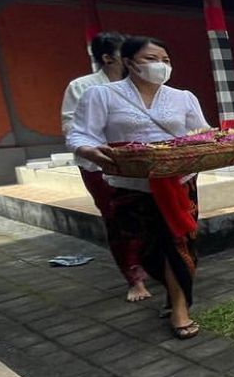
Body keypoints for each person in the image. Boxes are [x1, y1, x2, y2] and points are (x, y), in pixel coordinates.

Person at [67, 36, 209, 339]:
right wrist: (89, 151)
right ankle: (170, 287)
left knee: (179, 243)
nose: (161, 65)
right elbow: (80, 135)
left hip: (178, 182)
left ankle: (180, 307)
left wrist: (220, 144)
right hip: (130, 184)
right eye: (152, 58)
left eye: (166, 60)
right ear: (129, 62)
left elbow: (202, 135)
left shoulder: (183, 97)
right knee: (145, 247)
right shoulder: (101, 96)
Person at [61, 31, 152, 303]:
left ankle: (150, 264)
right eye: (125, 53)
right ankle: (133, 278)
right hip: (100, 165)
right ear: (107, 57)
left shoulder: (135, 85)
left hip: (136, 163)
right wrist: (94, 149)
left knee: (145, 215)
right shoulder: (82, 87)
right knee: (118, 219)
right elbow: (71, 128)